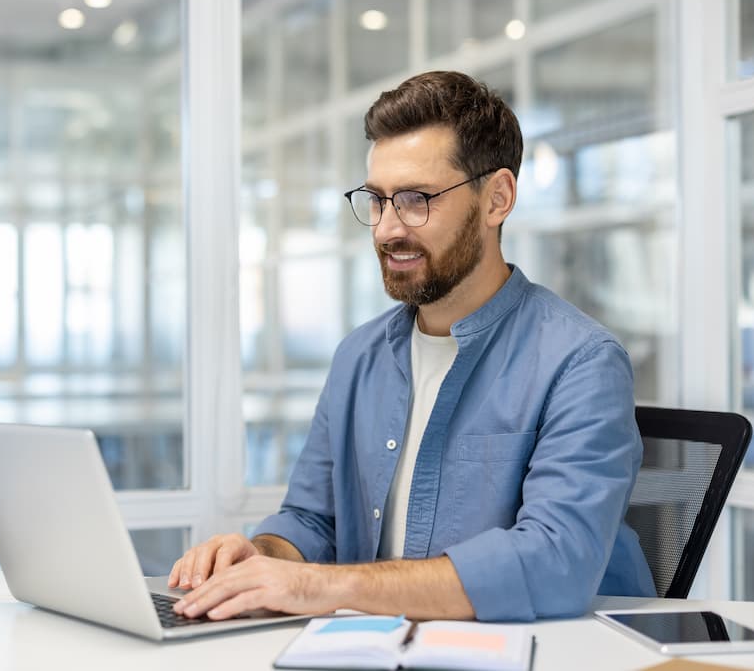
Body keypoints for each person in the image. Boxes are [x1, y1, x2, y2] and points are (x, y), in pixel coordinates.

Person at [169, 70, 656, 623]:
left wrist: (317, 587)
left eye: (415, 200)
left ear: (497, 198)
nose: (384, 229)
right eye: (377, 201)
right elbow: (312, 521)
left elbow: (554, 564)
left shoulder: (581, 362)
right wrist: (260, 559)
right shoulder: (359, 357)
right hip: (373, 646)